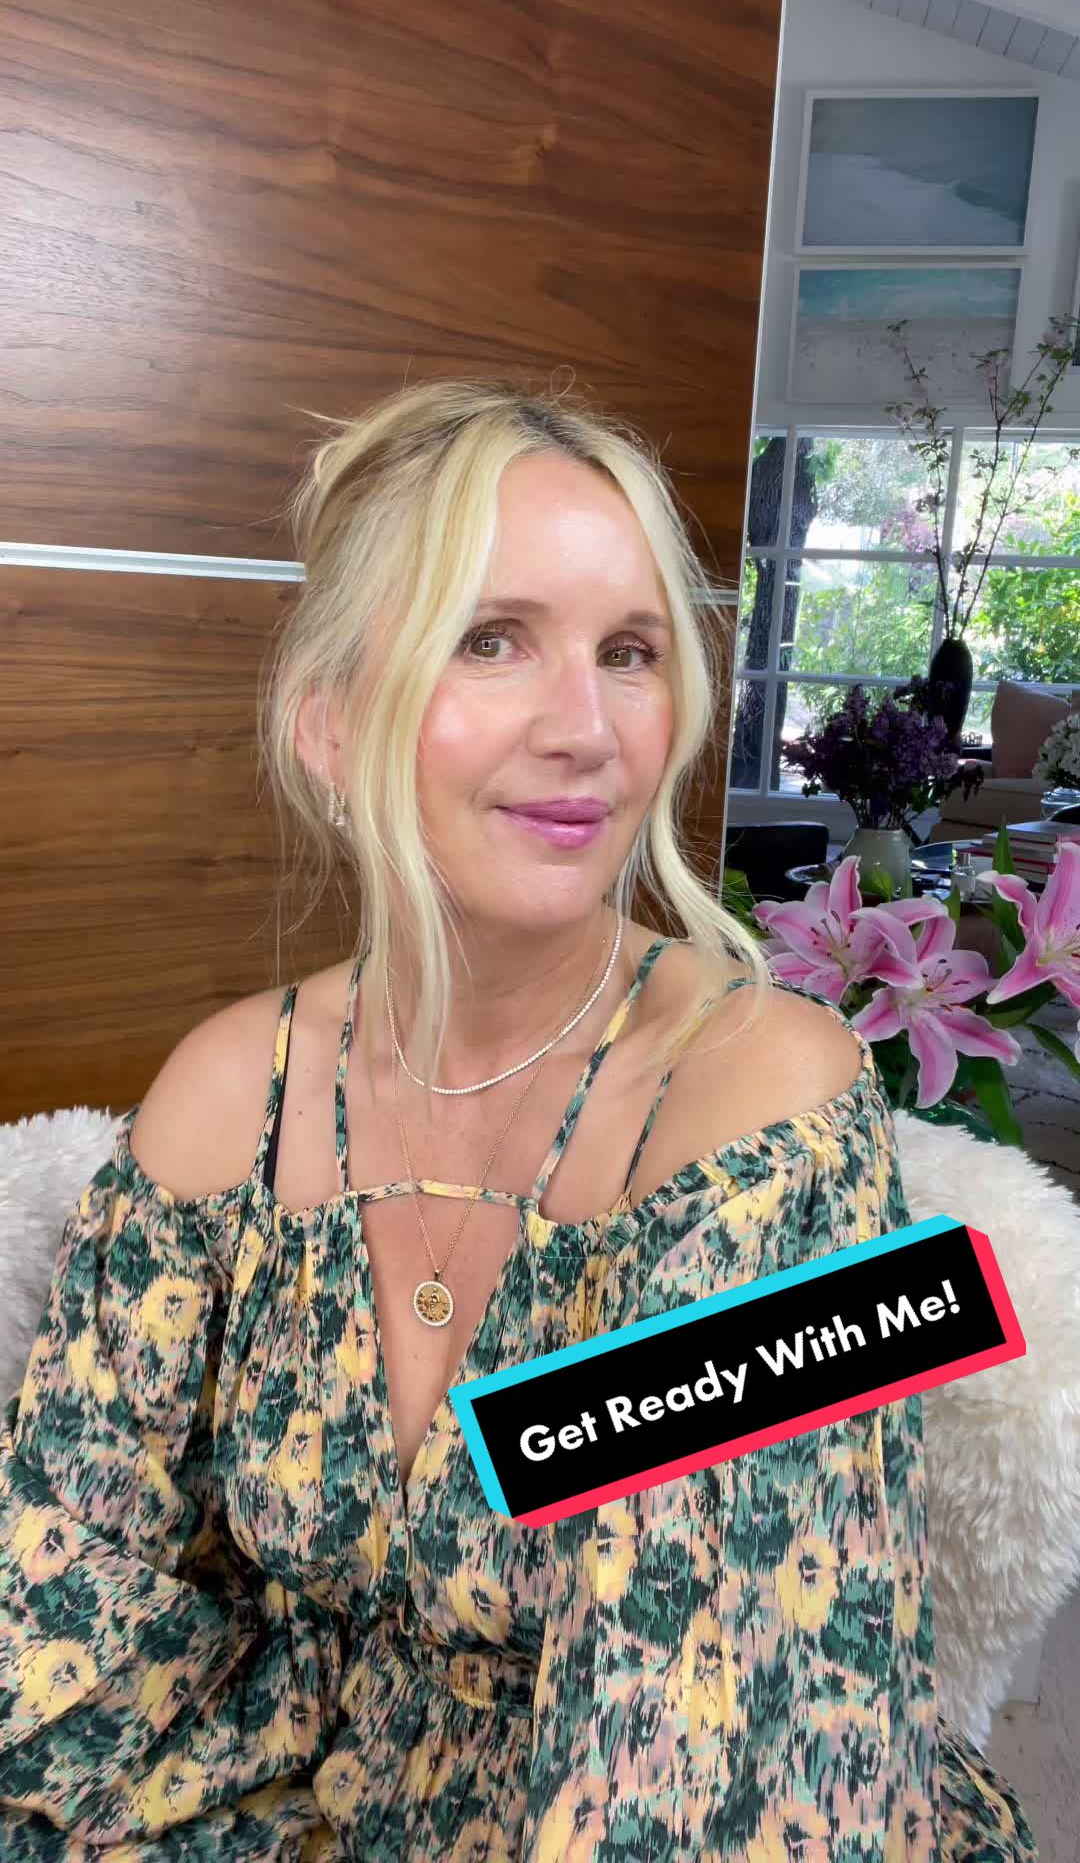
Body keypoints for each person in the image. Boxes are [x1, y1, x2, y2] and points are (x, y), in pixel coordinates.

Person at [0, 380, 1038, 1860]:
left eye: (630, 653)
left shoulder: (758, 1100)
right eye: (490, 639)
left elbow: (726, 1737)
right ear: (329, 721)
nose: (586, 729)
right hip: (266, 1790)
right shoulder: (228, 1097)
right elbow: (65, 1598)